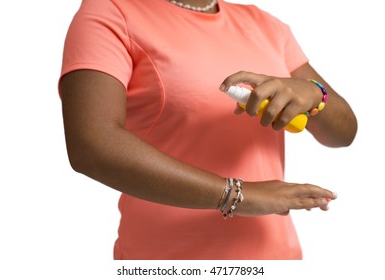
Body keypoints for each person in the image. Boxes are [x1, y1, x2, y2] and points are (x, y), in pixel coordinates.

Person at [59, 0, 357, 260]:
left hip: (276, 257)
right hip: (166, 260)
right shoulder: (111, 11)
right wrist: (240, 195)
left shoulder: (267, 25)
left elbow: (344, 134)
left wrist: (316, 95)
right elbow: (91, 144)